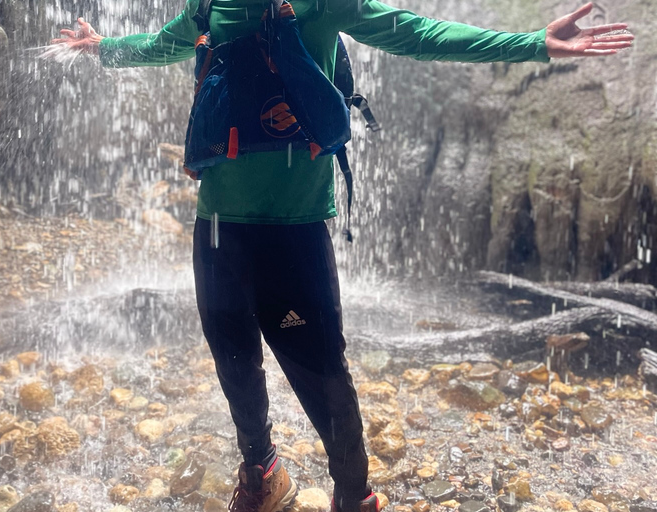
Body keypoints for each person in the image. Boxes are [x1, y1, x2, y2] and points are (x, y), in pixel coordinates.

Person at [51, 2, 632, 512]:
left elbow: (418, 33)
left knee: (324, 377)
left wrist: (533, 43)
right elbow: (161, 44)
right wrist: (102, 47)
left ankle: (354, 496)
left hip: (296, 232)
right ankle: (262, 473)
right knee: (234, 364)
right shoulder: (210, 3)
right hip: (217, 228)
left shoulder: (325, 3)